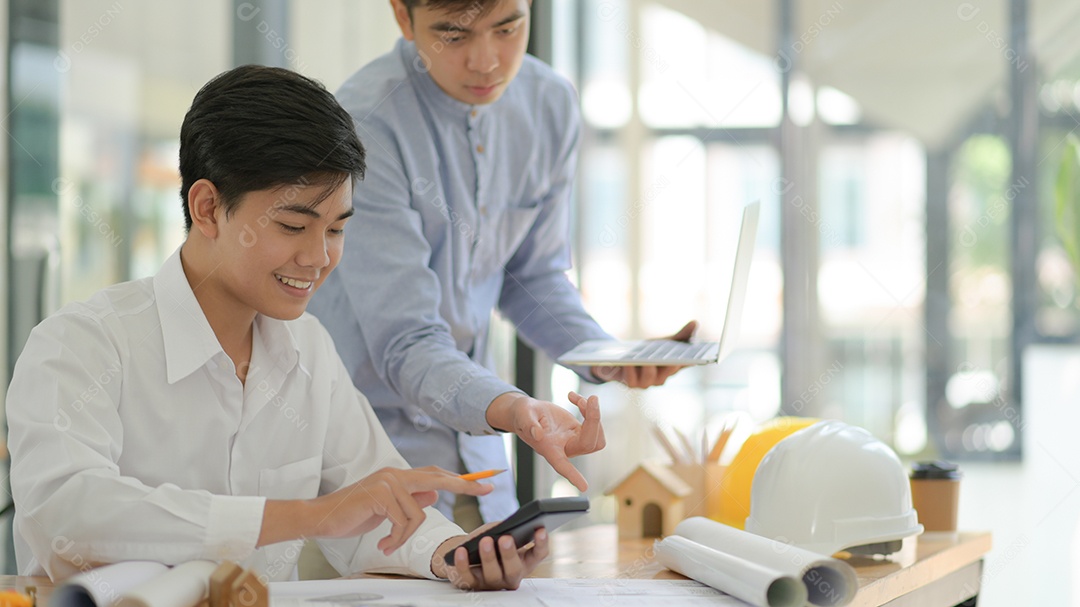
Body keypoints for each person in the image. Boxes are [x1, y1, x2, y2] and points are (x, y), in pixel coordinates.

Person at [5, 65, 546, 590]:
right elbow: (68, 514)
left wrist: (456, 555)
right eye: (293, 225)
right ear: (208, 208)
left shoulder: (307, 348)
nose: (318, 257)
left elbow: (381, 509)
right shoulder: (82, 343)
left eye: (336, 228)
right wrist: (308, 516)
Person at [307, 0, 694, 528]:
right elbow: (406, 341)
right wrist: (516, 409)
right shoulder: (364, 124)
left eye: (508, 28)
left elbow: (530, 275)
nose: (487, 62)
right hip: (371, 459)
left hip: (484, 459)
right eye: (453, 35)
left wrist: (606, 356)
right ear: (402, 15)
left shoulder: (549, 104)